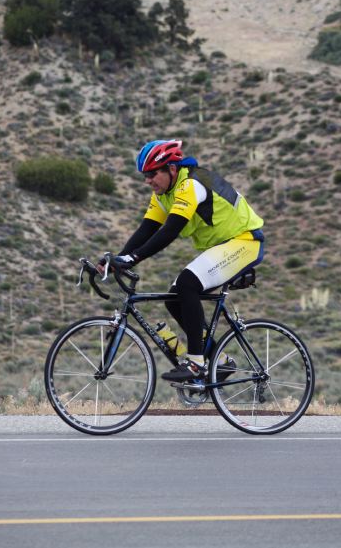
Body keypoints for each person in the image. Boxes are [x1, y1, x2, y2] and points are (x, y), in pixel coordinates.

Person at [103, 139, 265, 382]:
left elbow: (169, 231)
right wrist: (116, 259)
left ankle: (197, 363)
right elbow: (146, 229)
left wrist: (132, 258)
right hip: (224, 245)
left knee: (188, 284)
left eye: (152, 174)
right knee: (174, 297)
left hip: (245, 242)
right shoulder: (163, 194)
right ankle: (218, 362)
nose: (148, 181)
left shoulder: (191, 185)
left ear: (171, 169)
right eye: (144, 176)